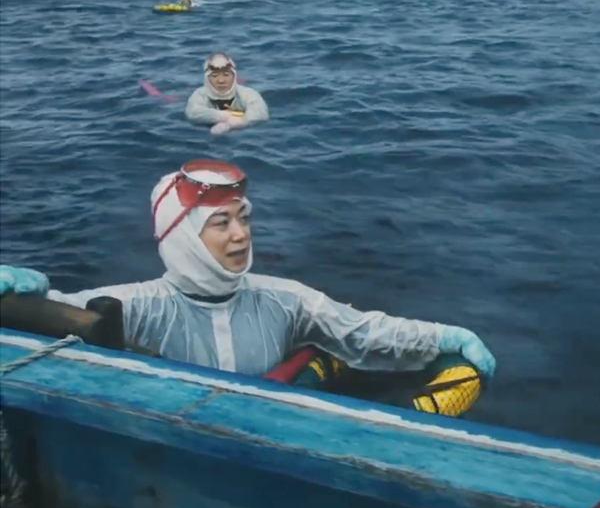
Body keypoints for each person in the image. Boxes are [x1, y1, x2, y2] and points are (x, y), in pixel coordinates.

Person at [0, 159, 496, 381]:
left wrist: (444, 337)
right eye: (220, 222)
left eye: (243, 218)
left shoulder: (286, 299)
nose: (241, 234)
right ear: (183, 238)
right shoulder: (134, 307)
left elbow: (366, 333)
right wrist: (26, 291)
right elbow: (53, 316)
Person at [186, 52, 269, 136]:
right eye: (214, 76)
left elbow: (261, 113)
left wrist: (239, 123)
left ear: (234, 76)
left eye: (226, 75)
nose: (221, 81)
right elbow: (193, 113)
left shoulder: (247, 93)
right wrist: (223, 116)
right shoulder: (199, 94)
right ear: (207, 78)